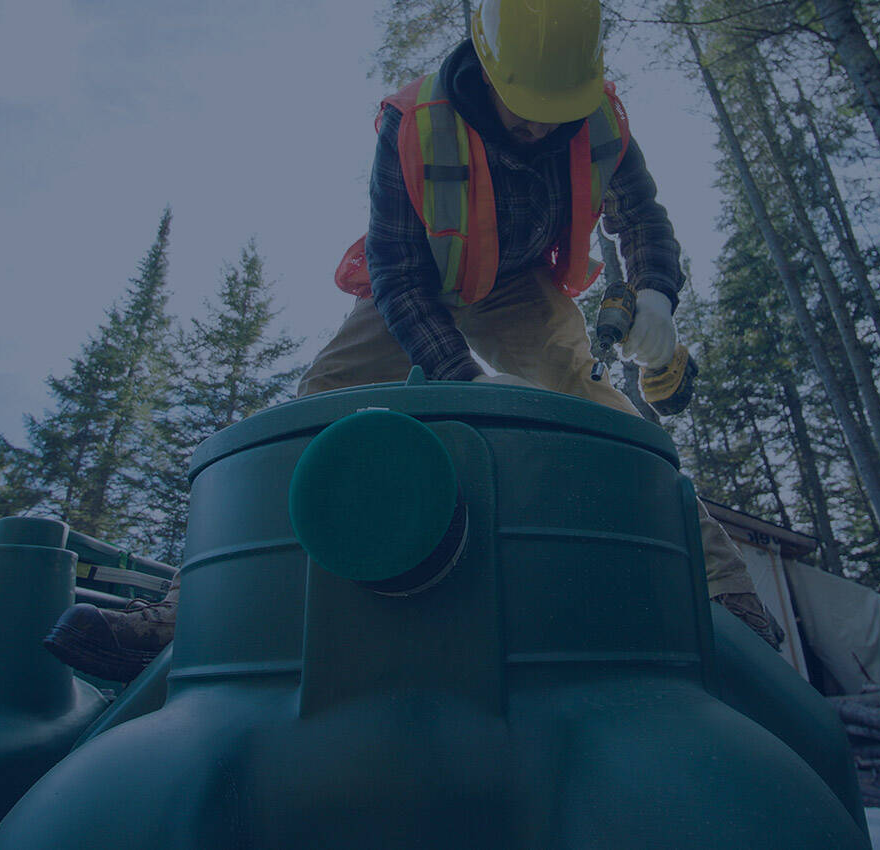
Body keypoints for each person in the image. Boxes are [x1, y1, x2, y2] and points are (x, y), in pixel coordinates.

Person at [46, 0, 782, 683]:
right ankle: (185, 613)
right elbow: (397, 276)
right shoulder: (414, 124)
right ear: (488, 65)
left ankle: (726, 591)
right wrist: (460, 378)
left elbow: (642, 213)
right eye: (525, 109)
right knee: (311, 412)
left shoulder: (596, 116)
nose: (539, 128)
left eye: (556, 112)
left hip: (518, 285)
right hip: (419, 280)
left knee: (596, 405)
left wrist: (657, 291)